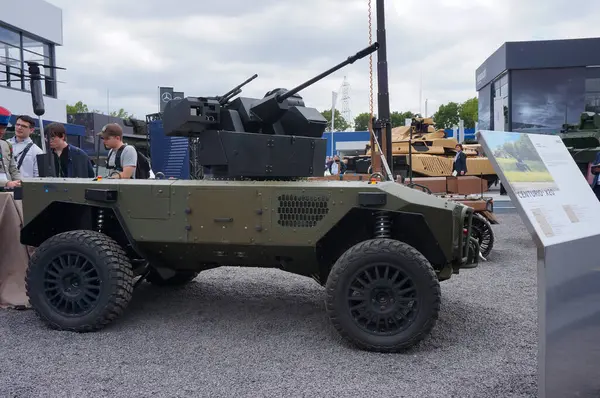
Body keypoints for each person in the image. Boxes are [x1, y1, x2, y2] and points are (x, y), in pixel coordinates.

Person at [0, 107, 22, 188]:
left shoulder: (7, 145)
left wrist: (20, 182)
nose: (2, 131)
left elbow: (13, 169)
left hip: (8, 192)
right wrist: (6, 183)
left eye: (4, 127)